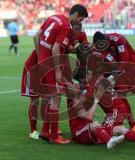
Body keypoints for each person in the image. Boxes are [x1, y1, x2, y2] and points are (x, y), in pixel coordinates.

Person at [33, 4, 88, 144]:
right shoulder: (66, 27)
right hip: (51, 66)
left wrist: (40, 57)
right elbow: (56, 48)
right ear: (75, 14)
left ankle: (45, 131)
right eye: (80, 19)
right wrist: (57, 70)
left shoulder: (54, 17)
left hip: (42, 63)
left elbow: (36, 35)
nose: (80, 22)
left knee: (51, 97)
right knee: (56, 99)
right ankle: (54, 137)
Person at [71, 71, 135, 149]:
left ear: (82, 80)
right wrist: (113, 76)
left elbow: (80, 104)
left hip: (116, 110)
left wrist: (92, 98)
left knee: (106, 131)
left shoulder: (89, 87)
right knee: (118, 129)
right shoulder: (98, 77)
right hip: (118, 108)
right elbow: (109, 80)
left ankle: (110, 140)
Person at [92, 31, 135, 136]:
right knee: (121, 96)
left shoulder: (119, 40)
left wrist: (110, 78)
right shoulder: (98, 47)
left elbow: (124, 64)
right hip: (117, 69)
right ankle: (134, 127)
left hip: (132, 64)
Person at [21, 49, 50, 139]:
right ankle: (33, 131)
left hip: (42, 70)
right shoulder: (46, 41)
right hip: (32, 70)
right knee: (35, 101)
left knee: (48, 99)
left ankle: (45, 128)